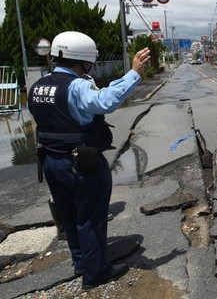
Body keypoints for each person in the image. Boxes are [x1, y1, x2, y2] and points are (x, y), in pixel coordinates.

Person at [28, 31, 151, 290]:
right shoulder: (77, 86)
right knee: (91, 217)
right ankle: (95, 273)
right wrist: (134, 73)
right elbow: (105, 101)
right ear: (85, 60)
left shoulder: (39, 86)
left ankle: (81, 262)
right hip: (81, 162)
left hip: (51, 161)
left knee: (70, 216)